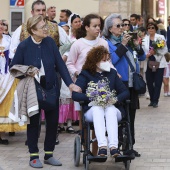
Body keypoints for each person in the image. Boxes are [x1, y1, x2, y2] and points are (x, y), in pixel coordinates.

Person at [9, 15, 81, 168]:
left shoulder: (49, 42)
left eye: (46, 26)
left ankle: (49, 154)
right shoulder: (24, 46)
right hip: (33, 91)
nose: (46, 30)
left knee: (53, 122)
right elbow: (14, 68)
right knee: (34, 123)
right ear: (33, 30)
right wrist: (28, 71)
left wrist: (70, 84)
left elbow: (60, 64)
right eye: (43, 27)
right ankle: (33, 156)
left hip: (51, 87)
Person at [72, 45, 129, 157]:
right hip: (92, 110)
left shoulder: (112, 73)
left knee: (110, 110)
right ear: (95, 61)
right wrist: (93, 97)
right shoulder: (85, 74)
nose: (107, 62)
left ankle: (113, 147)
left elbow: (125, 92)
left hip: (111, 107)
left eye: (108, 60)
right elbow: (75, 95)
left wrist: (115, 99)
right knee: (98, 109)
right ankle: (102, 147)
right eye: (104, 60)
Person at [102, 13, 146, 157]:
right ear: (109, 29)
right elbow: (110, 61)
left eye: (124, 25)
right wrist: (123, 45)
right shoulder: (106, 43)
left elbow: (142, 57)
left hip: (132, 82)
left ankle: (129, 145)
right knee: (120, 115)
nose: (123, 28)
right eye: (119, 25)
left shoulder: (126, 40)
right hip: (119, 84)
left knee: (131, 115)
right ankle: (120, 145)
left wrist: (137, 46)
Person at [66, 13, 110, 155]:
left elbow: (107, 62)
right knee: (83, 118)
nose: (98, 29)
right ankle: (86, 149)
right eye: (95, 26)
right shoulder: (78, 44)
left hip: (100, 84)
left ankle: (97, 151)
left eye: (99, 26)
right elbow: (69, 63)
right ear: (86, 27)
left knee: (99, 117)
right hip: (82, 85)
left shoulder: (103, 43)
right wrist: (79, 74)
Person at [58, 13, 82, 133]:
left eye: (79, 21)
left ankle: (70, 122)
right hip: (67, 68)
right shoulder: (68, 39)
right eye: (75, 22)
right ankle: (61, 123)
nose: (78, 24)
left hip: (77, 69)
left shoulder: (81, 37)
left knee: (73, 95)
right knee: (65, 95)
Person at [142, 22, 168, 107]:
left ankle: (155, 100)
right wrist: (147, 54)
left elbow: (165, 50)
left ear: (155, 29)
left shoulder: (161, 37)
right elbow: (142, 51)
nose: (150, 29)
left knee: (158, 82)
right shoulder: (144, 39)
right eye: (149, 28)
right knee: (149, 82)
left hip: (159, 63)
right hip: (148, 62)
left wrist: (155, 52)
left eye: (152, 28)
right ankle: (152, 99)